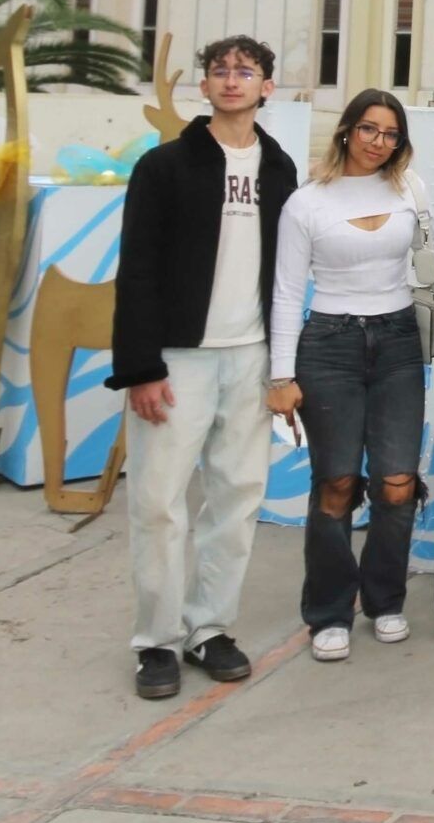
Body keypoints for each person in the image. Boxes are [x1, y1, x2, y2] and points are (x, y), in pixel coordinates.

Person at [107, 34, 298, 701]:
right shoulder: (163, 168)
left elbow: (289, 278)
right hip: (178, 360)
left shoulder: (280, 169)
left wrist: (285, 365)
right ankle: (155, 641)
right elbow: (136, 271)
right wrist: (140, 366)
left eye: (246, 71)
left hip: (251, 357)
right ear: (206, 86)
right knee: (159, 502)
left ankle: (210, 628)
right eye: (220, 70)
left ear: (268, 86)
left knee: (236, 497)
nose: (232, 80)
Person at [267, 89, 434, 663]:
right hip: (328, 345)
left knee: (396, 481)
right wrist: (280, 376)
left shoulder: (411, 190)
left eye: (390, 134)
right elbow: (288, 292)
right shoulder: (307, 202)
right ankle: (329, 610)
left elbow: (432, 267)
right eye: (369, 129)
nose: (378, 142)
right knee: (336, 483)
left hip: (396, 343)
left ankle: (385, 600)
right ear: (346, 131)